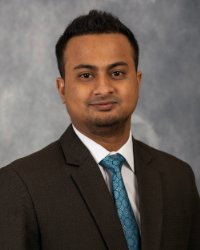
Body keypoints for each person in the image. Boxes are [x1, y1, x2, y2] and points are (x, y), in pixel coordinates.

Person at [0, 9, 199, 250]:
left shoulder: (178, 177)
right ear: (62, 89)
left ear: (137, 81)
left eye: (117, 73)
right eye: (86, 75)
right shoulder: (20, 185)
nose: (103, 88)